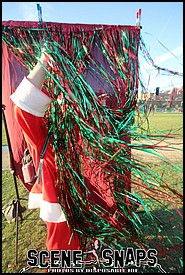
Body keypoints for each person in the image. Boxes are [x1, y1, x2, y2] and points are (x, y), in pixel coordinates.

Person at [10, 51, 121, 252]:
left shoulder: (82, 133)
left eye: (72, 104)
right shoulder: (43, 137)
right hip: (59, 206)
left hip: (85, 203)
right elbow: (22, 109)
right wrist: (43, 62)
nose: (68, 108)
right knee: (62, 250)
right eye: (63, 102)